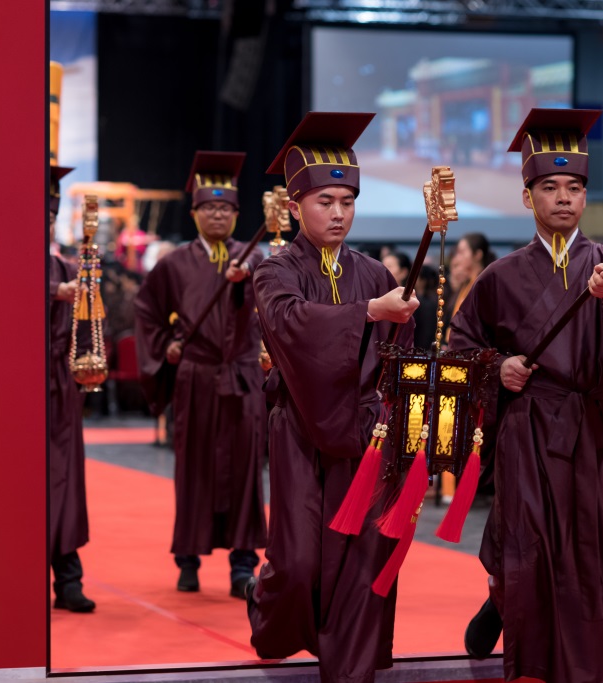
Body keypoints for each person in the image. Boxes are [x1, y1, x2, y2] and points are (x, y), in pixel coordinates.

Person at [449, 108, 603, 683]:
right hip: (532, 429)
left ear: (585, 197)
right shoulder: (499, 277)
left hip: (596, 430)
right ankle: (528, 646)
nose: (563, 198)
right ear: (527, 198)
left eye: (574, 188)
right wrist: (499, 367)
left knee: (600, 559)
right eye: (549, 188)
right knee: (535, 550)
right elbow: (460, 349)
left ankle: (594, 669)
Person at [245, 112, 418, 683]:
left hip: (368, 435)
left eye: (347, 200)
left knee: (365, 557)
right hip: (300, 431)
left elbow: (399, 354)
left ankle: (351, 669)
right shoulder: (274, 271)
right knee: (296, 563)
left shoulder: (374, 271)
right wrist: (370, 313)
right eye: (325, 201)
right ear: (296, 206)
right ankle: (266, 611)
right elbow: (291, 324)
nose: (338, 212)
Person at [134, 151, 267, 597]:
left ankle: (243, 564)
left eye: (226, 208)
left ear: (236, 215)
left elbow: (273, 311)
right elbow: (147, 312)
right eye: (209, 207)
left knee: (247, 469)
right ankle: (188, 559)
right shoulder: (173, 264)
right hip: (196, 380)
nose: (217, 214)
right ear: (194, 213)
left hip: (243, 381)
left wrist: (245, 280)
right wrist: (166, 347)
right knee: (193, 469)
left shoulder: (255, 261)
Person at [48, 60, 94, 613]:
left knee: (67, 479)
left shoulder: (66, 262)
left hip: (62, 387)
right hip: (23, 390)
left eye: (51, 211)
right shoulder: (25, 265)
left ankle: (68, 576)